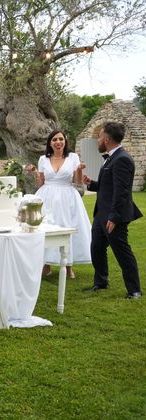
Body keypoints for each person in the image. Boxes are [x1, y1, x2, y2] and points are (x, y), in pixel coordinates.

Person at [82, 121, 142, 299]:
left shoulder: (122, 158)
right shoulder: (112, 157)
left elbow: (121, 192)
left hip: (113, 217)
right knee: (96, 248)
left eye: (99, 136)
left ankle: (135, 290)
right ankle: (101, 282)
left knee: (122, 252)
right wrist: (90, 184)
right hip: (102, 214)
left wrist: (114, 218)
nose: (98, 140)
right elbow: (107, 187)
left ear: (107, 139)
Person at [33, 129, 92, 278]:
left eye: (61, 139)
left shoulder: (73, 157)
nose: (58, 142)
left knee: (67, 228)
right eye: (54, 140)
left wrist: (79, 170)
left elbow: (77, 182)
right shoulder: (43, 159)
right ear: (50, 143)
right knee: (45, 229)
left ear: (65, 141)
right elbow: (41, 183)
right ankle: (46, 265)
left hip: (67, 196)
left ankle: (68, 266)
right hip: (46, 196)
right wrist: (34, 173)